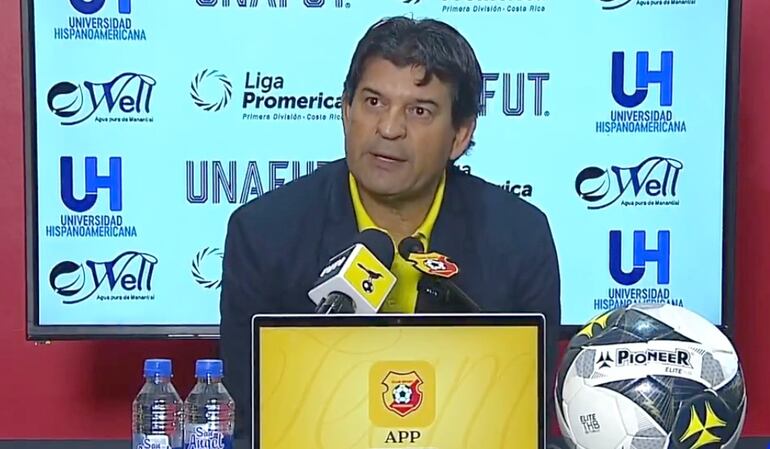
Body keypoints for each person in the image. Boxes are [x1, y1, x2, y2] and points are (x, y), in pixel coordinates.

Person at [219, 15, 561, 443]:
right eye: (373, 102)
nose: (389, 128)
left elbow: (521, 421)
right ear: (346, 110)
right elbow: (251, 421)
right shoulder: (265, 234)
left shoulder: (519, 239)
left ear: (459, 135)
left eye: (419, 111)